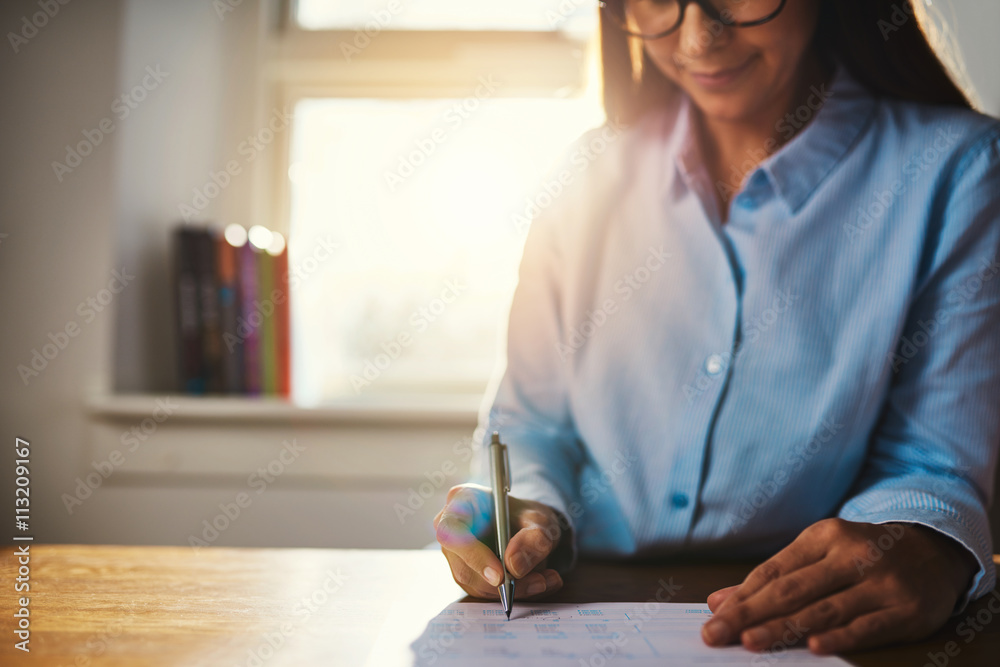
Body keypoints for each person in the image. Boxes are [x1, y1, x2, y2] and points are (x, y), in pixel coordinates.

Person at [434, 0, 1000, 655]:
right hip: (567, 610)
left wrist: (922, 542)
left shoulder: (959, 171)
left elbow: (932, 464)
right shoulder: (586, 174)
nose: (700, 37)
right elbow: (532, 425)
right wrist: (524, 510)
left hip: (802, 621)